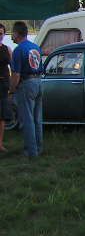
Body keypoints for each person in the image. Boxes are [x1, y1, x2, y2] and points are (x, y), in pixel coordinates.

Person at [9, 21, 44, 158]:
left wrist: (12, 90)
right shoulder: (36, 47)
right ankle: (39, 148)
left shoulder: (18, 50)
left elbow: (16, 75)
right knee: (37, 119)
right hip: (39, 82)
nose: (12, 36)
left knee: (27, 119)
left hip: (26, 83)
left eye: (12, 33)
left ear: (16, 33)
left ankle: (31, 152)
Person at [0, 23, 13, 152]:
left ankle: (0, 143)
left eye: (1, 33)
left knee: (2, 116)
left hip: (3, 85)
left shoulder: (7, 49)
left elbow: (13, 67)